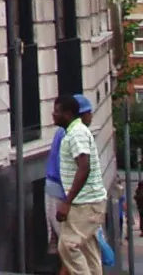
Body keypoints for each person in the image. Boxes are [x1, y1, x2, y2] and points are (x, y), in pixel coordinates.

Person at [54, 93, 106, 275]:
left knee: (68, 246)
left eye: (57, 111)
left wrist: (67, 202)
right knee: (88, 250)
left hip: (85, 204)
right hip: (85, 202)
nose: (53, 115)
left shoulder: (77, 134)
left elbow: (84, 168)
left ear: (68, 114)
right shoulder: (73, 133)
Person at [46, 93, 92, 255]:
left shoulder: (68, 132)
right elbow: (69, 167)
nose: (90, 117)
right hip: (60, 193)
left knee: (68, 247)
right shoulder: (71, 133)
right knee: (71, 247)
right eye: (88, 113)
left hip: (59, 192)